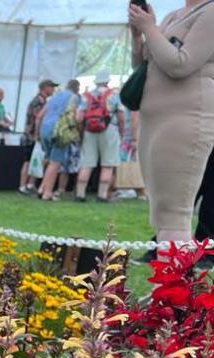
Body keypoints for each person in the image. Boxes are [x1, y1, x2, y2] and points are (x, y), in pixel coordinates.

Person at [130, 0, 214, 250]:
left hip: (187, 119)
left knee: (174, 215)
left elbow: (180, 64)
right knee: (163, 213)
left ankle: (176, 287)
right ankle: (169, 287)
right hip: (155, 123)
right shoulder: (172, 16)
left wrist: (149, 29)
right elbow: (142, 65)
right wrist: (138, 35)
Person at [74, 72, 128, 202]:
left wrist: (81, 132)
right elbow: (121, 116)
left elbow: (79, 118)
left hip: (89, 131)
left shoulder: (87, 96)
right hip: (110, 129)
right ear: (108, 82)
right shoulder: (114, 95)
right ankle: (102, 195)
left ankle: (80, 194)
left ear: (96, 82)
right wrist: (122, 132)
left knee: (87, 163)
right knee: (107, 164)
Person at [37, 79, 83, 201]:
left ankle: (42, 188)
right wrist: (78, 131)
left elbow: (39, 116)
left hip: (44, 129)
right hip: (59, 130)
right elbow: (76, 117)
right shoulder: (74, 98)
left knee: (50, 161)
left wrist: (38, 134)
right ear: (77, 89)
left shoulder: (54, 97)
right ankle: (48, 193)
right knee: (55, 163)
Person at [19, 79, 58, 193]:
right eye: (51, 87)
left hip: (35, 136)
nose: (53, 89)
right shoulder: (38, 101)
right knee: (28, 161)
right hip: (32, 136)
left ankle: (30, 185)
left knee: (36, 160)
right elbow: (38, 119)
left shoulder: (44, 101)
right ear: (45, 87)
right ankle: (23, 186)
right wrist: (38, 134)